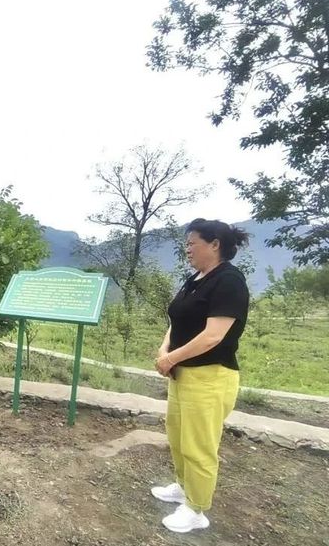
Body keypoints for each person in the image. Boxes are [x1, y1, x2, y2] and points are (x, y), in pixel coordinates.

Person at [151, 218, 250, 533]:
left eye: (192, 242)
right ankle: (183, 488)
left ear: (215, 244)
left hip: (210, 377)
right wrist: (165, 350)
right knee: (178, 436)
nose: (187, 249)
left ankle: (196, 509)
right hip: (184, 374)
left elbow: (213, 336)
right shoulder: (197, 278)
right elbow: (177, 318)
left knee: (200, 445)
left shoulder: (229, 281)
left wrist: (171, 359)